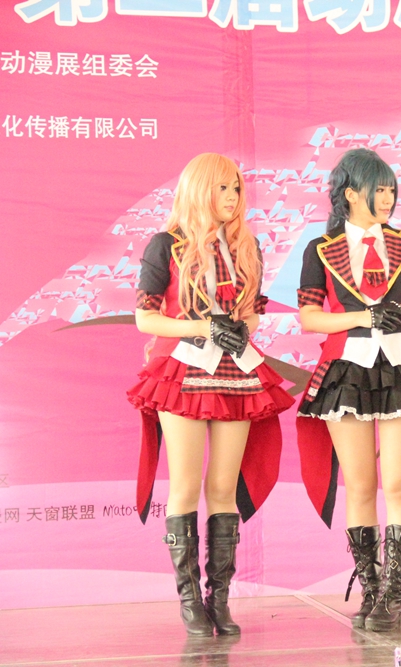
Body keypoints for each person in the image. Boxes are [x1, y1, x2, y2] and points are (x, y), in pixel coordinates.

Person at [127, 153, 294, 636]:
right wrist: (204, 327)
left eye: (237, 188)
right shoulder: (167, 244)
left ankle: (218, 600)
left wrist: (242, 327)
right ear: (201, 189)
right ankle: (189, 603)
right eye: (223, 188)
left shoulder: (246, 245)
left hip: (234, 371)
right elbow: (146, 317)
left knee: (223, 487)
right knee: (184, 485)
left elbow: (254, 309)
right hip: (181, 371)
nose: (233, 197)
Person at [296, 148, 401, 632]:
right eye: (378, 190)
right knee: (360, 486)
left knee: (399, 484)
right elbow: (309, 318)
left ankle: (393, 596)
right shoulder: (320, 249)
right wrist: (364, 316)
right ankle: (370, 589)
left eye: (390, 190)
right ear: (350, 193)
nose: (387, 199)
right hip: (347, 369)